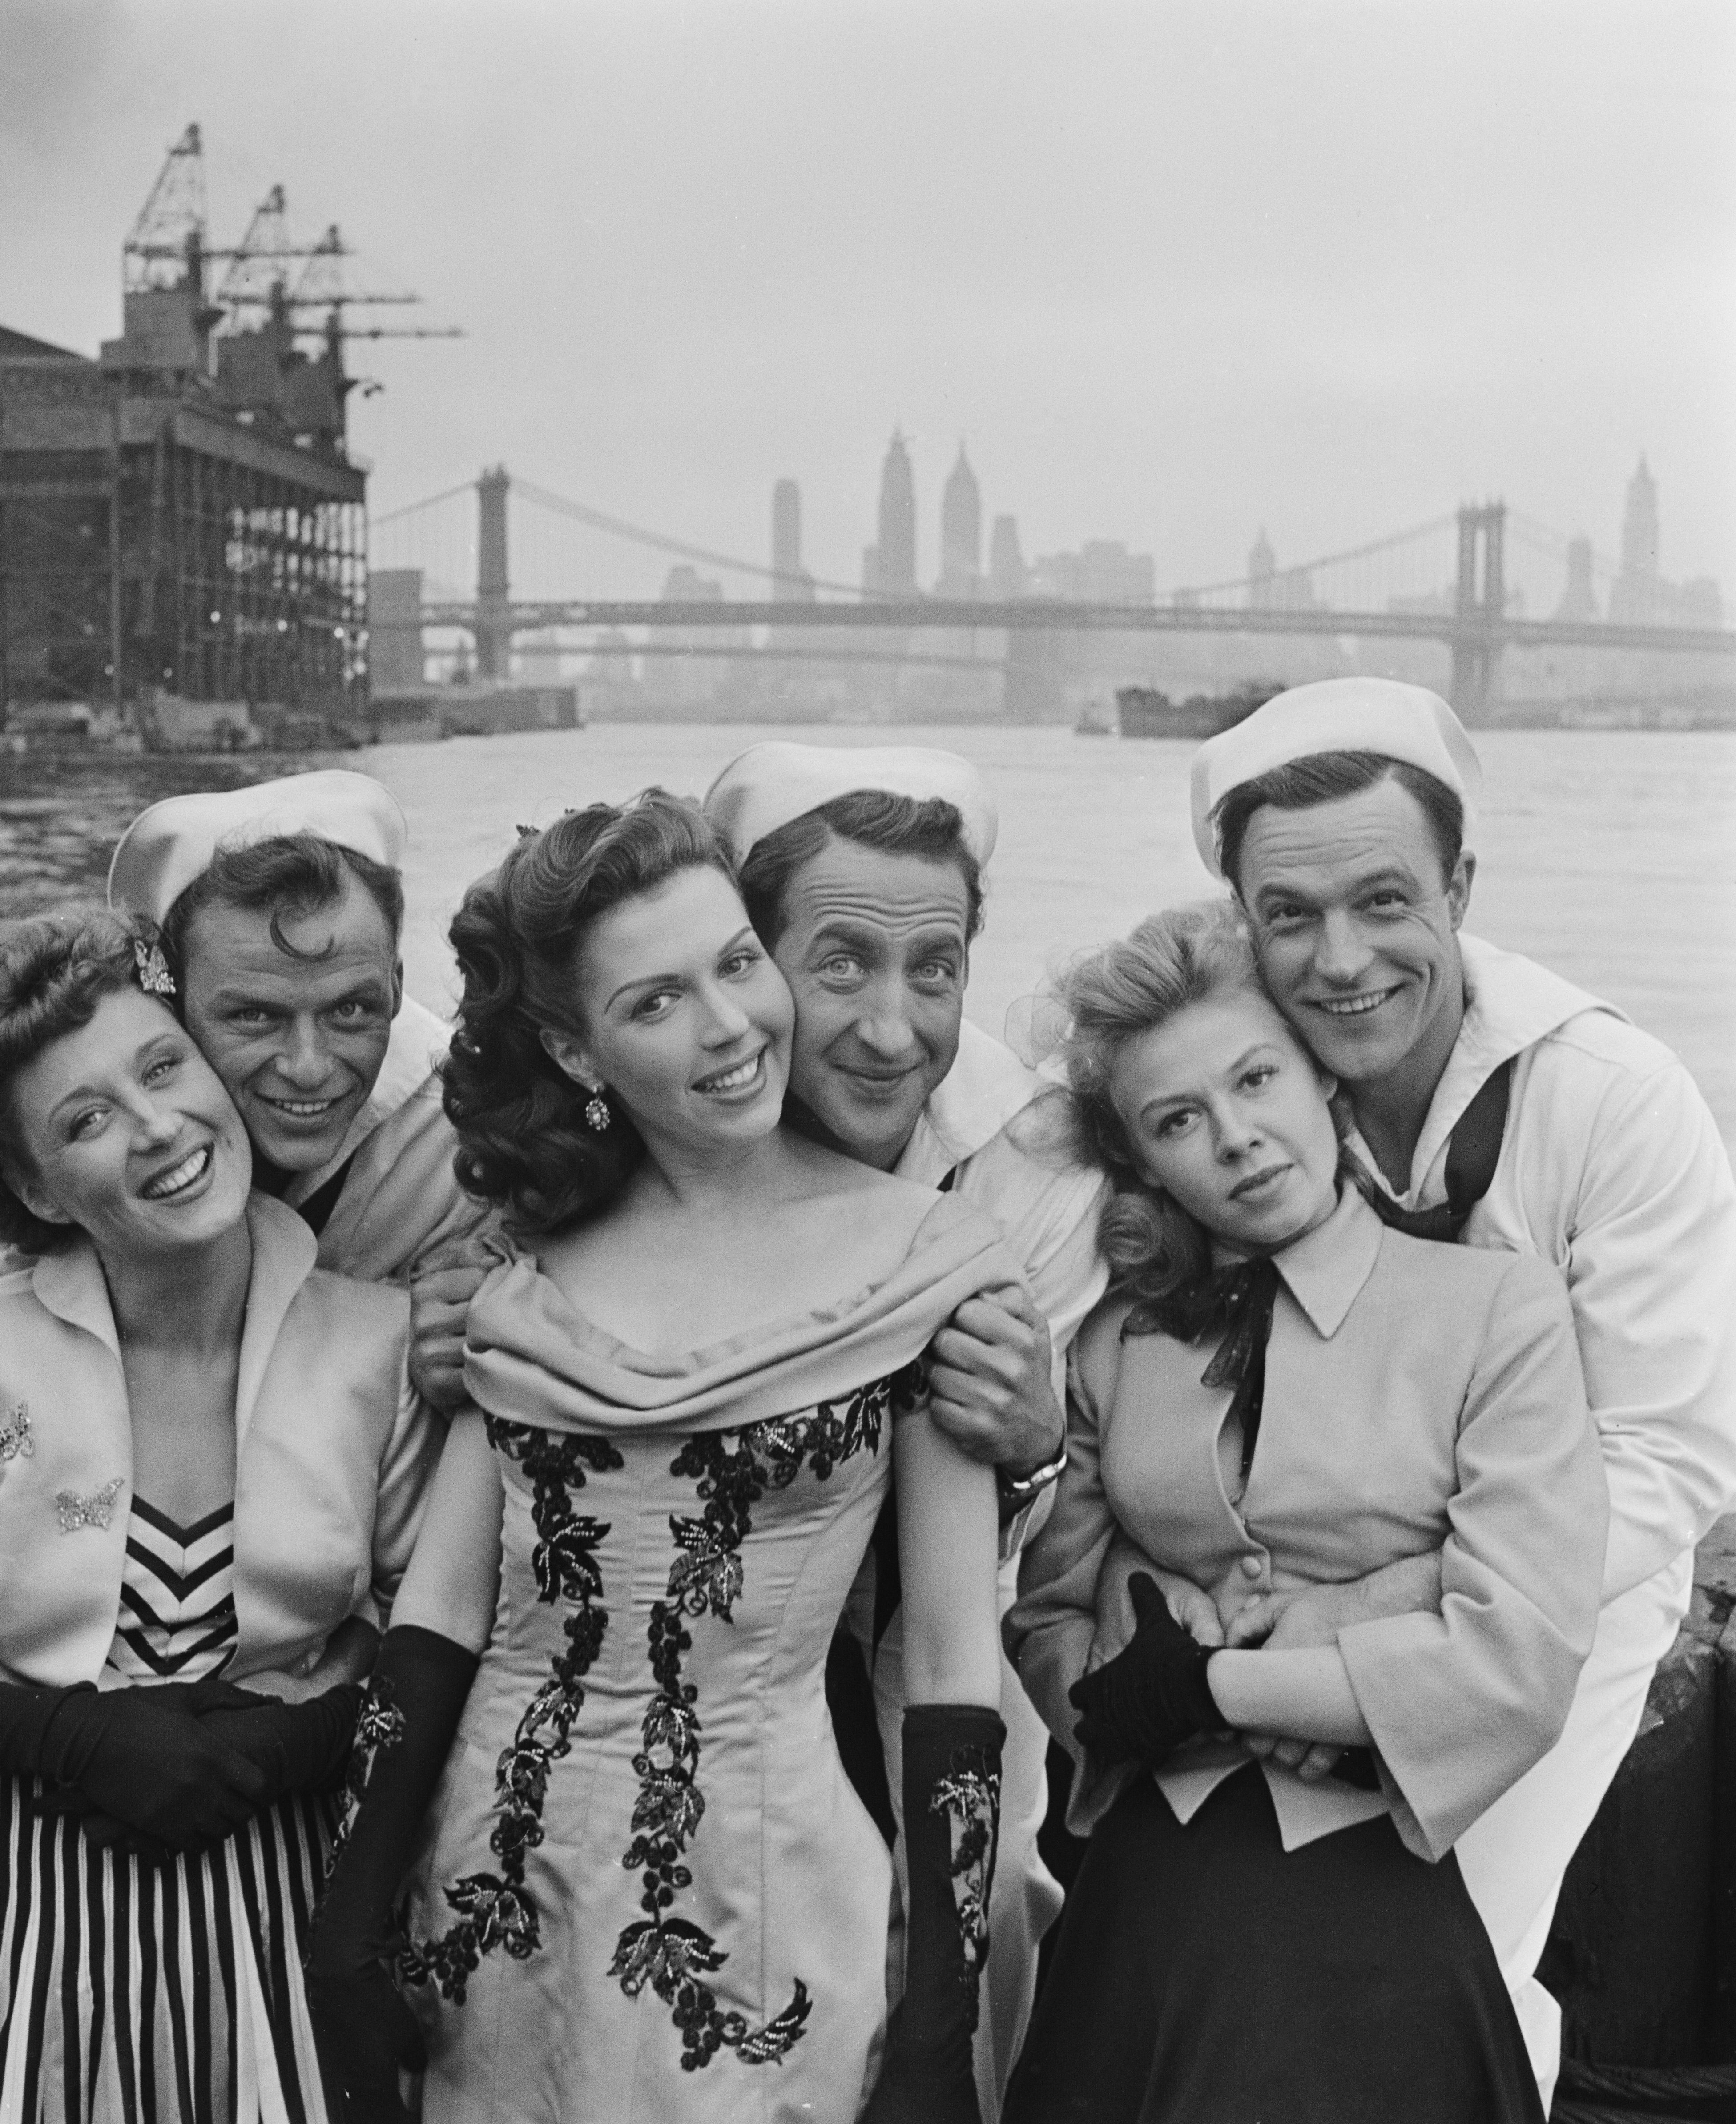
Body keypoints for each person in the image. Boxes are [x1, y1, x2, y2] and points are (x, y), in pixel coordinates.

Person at [307, 792, 1017, 2124]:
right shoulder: (517, 1268)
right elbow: (447, 1611)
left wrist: (943, 2005)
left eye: (737, 964)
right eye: (655, 1003)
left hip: (769, 1904)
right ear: (577, 1051)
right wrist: (348, 1910)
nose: (730, 1027)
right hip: (487, 1893)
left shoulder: (928, 1261)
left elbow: (947, 1666)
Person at [1085, 676, 1736, 2103]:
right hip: (1260, 1601)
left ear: (1459, 886)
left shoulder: (1604, 1100)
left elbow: (1669, 1455)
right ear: (1240, 922)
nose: (1340, 960)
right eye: (1288, 915)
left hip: (1549, 1598)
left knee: (1457, 1949)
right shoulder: (1247, 1071)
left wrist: (1383, 1609)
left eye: (1385, 901)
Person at [0, 905, 438, 2123]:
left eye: (163, 1067)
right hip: (15, 1963)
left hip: (294, 1942)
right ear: (37, 1189)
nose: (158, 1129)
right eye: (85, 1120)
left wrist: (285, 1751)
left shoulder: (382, 1346)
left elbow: (444, 1649)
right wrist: (62, 1740)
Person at [1005, 899, 1606, 2123]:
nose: (1234, 1138)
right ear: (1140, 1163)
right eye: (1177, 1121)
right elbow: (1051, 1625)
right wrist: (1122, 1687)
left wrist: (1217, 1687)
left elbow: (1516, 1655)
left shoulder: (1494, 1310)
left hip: (1364, 1895)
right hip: (1141, 1891)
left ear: (1321, 1080)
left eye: (1254, 1078)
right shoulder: (1117, 1342)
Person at [706, 741, 1108, 2116]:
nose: (892, 1029)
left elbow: (981, 1582)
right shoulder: (648, 1117)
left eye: (931, 970)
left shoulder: (1032, 1163)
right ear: (743, 962)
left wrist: (1035, 1440)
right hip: (682, 1645)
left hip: (922, 1628)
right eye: (839, 968)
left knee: (974, 1922)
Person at [0, 771, 484, 1441]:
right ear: (169, 998)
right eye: (254, 1015)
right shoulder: (22, 1130)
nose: (309, 1068)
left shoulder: (460, 1134)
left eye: (352, 1009)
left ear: (397, 986)